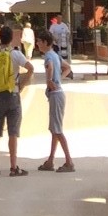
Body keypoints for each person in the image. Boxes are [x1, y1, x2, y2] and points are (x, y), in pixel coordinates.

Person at [0, 24, 34, 176]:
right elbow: (31, 68)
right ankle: (13, 167)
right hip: (13, 95)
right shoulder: (15, 54)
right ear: (11, 39)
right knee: (13, 133)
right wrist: (21, 85)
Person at [33, 27, 74, 172]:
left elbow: (49, 67)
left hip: (55, 95)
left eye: (39, 41)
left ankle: (69, 161)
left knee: (57, 130)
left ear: (45, 42)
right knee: (55, 129)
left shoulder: (49, 57)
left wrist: (50, 80)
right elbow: (67, 68)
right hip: (57, 94)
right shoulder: (55, 55)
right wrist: (59, 79)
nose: (37, 43)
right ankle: (50, 160)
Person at [49, 14, 72, 78]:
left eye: (61, 18)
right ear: (56, 18)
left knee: (64, 58)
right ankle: (56, 70)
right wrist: (54, 39)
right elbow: (50, 34)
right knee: (56, 57)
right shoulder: (53, 26)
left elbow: (68, 33)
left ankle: (64, 71)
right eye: (58, 18)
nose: (59, 19)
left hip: (63, 44)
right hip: (56, 45)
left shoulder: (64, 25)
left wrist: (70, 40)